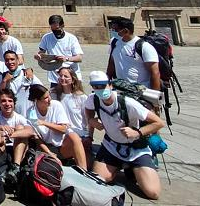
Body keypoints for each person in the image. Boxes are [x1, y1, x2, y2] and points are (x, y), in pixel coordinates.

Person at [84, 71, 165, 200]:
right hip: (111, 146)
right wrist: (91, 120)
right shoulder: (93, 99)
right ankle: (120, 166)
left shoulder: (127, 102)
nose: (100, 90)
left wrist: (137, 132)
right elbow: (87, 110)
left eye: (103, 86)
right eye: (96, 87)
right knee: (98, 180)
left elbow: (159, 122)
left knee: (153, 193)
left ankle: (133, 167)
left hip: (136, 148)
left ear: (110, 85)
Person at [27, 84, 87, 169]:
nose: (49, 100)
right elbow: (37, 139)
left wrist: (44, 123)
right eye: (45, 98)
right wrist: (49, 153)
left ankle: (83, 170)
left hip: (62, 145)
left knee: (74, 137)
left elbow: (63, 129)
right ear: (37, 100)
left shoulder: (56, 105)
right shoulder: (31, 113)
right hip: (46, 148)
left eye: (49, 96)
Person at [0, 88, 33, 177]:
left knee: (20, 128)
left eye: (10, 101)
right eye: (3, 101)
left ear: (14, 103)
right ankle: (1, 168)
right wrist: (0, 127)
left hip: (16, 150)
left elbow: (30, 131)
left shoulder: (19, 118)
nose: (7, 104)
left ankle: (15, 168)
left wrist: (8, 134)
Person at [106, 18, 161, 91]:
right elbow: (111, 63)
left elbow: (155, 72)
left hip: (141, 91)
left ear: (125, 31)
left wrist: (155, 96)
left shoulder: (144, 46)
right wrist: (107, 82)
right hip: (120, 88)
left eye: (115, 30)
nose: (112, 32)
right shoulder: (114, 43)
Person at [36, 15, 84, 87]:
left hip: (72, 76)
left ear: (63, 25)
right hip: (55, 78)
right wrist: (38, 56)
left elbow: (79, 58)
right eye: (53, 30)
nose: (56, 32)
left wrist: (66, 58)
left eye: (57, 29)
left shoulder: (71, 38)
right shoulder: (46, 37)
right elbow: (41, 52)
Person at [51, 66, 91, 153]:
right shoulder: (53, 95)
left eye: (66, 76)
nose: (62, 78)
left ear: (73, 79)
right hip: (62, 134)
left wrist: (89, 136)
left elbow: (87, 119)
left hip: (80, 134)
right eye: (60, 76)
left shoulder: (82, 97)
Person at [0, 50, 42, 115]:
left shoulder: (27, 74)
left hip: (28, 115)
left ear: (18, 61)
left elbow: (42, 90)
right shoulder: (2, 77)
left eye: (12, 59)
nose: (10, 62)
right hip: (11, 116)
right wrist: (4, 81)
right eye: (7, 60)